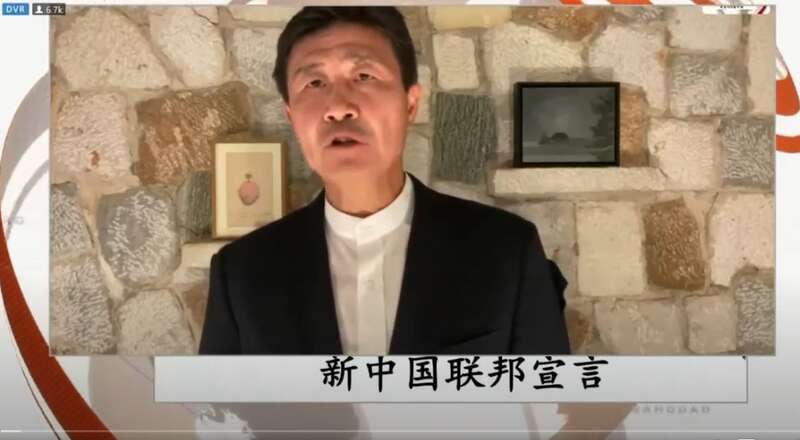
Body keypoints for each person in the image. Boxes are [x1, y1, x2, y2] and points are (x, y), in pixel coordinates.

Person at [199, 6, 570, 355]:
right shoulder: (242, 274)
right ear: (292, 116)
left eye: (364, 76)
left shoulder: (507, 252)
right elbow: (220, 404)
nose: (338, 107)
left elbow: (547, 398)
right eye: (314, 82)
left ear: (410, 104)